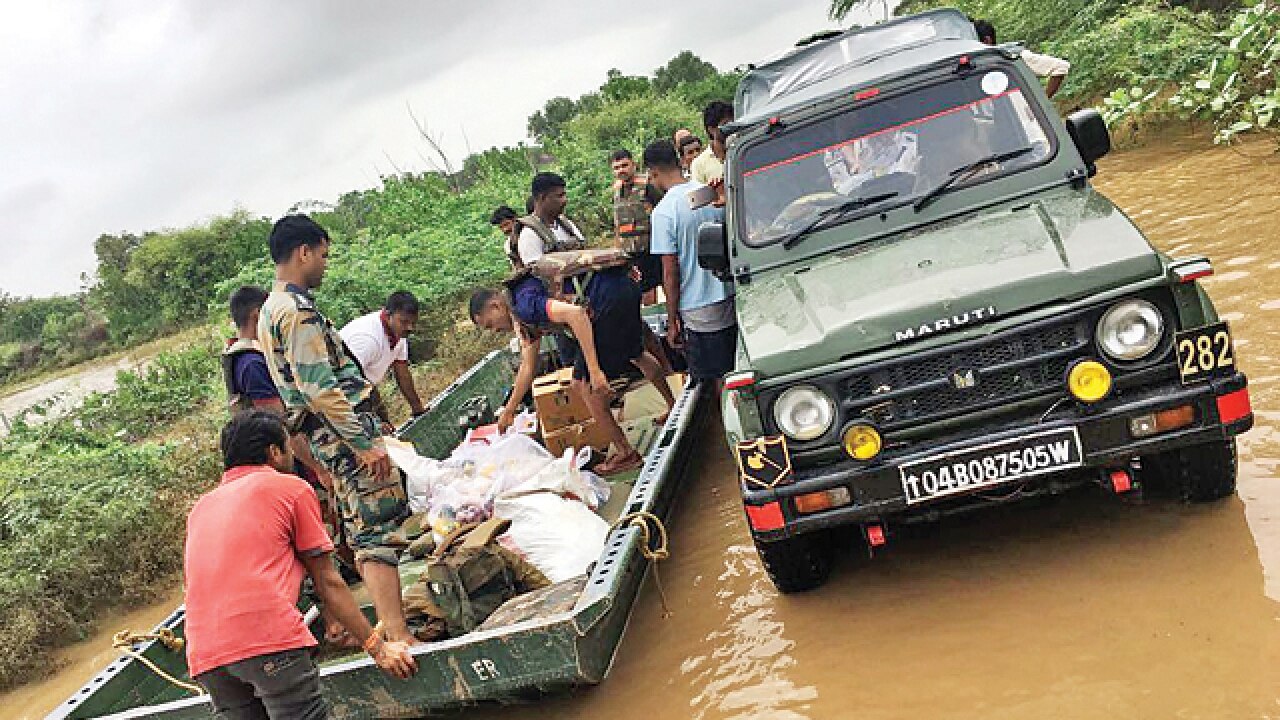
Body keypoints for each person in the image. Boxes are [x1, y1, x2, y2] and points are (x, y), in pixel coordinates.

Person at [184, 410, 416, 718]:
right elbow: (327, 580)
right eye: (289, 446)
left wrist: (333, 623)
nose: (293, 454)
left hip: (206, 654)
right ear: (274, 452)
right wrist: (378, 647)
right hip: (266, 642)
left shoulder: (201, 507)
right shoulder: (290, 489)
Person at [257, 214, 415, 647]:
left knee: (361, 526)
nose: (325, 265)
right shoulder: (296, 312)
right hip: (343, 434)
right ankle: (399, 635)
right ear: (303, 252)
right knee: (378, 526)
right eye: (323, 255)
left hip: (325, 438)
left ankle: (388, 624)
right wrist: (363, 444)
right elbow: (319, 387)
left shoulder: (271, 309)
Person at [468, 263, 675, 476]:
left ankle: (625, 453)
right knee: (636, 353)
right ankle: (673, 405)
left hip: (605, 301)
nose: (495, 330)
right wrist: (510, 410)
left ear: (495, 305)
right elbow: (528, 366)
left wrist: (594, 371)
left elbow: (576, 315)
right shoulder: (521, 304)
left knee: (583, 385)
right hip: (624, 287)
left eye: (490, 324)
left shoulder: (524, 305)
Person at [645, 140, 738, 391]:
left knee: (717, 382)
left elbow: (671, 272)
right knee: (737, 369)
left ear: (653, 173)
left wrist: (672, 318)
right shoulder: (710, 194)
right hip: (732, 295)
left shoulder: (664, 213)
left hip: (698, 310)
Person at [340, 291, 426, 417]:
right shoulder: (367, 338)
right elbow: (351, 381)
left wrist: (417, 408)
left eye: (413, 323)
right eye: (404, 322)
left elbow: (402, 372)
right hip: (341, 395)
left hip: (362, 388)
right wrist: (379, 419)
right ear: (387, 315)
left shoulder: (398, 333)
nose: (410, 328)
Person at [973, 18, 1070, 98]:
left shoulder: (1013, 58)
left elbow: (1060, 67)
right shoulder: (969, 69)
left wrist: (1043, 102)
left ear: (987, 40)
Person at [508, 173, 586, 269]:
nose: (565, 200)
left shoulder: (566, 225)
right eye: (559, 196)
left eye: (565, 195)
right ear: (542, 198)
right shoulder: (529, 234)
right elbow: (538, 275)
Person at [691, 101, 734, 185]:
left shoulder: (742, 151)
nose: (730, 128)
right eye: (725, 124)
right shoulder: (699, 164)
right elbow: (700, 197)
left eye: (732, 123)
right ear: (711, 129)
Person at [489, 205, 520, 270]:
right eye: (501, 227)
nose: (505, 229)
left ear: (515, 219)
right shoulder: (508, 245)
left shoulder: (529, 233)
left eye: (506, 224)